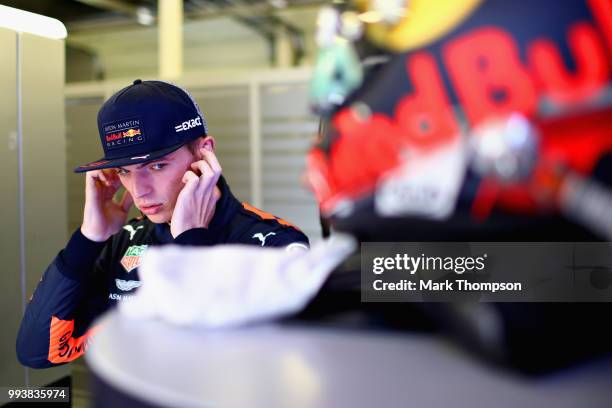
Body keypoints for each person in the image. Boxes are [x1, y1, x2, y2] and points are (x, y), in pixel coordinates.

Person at [16, 79, 309, 368]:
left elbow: (235, 370)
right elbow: (37, 352)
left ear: (203, 153)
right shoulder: (127, 240)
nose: (138, 190)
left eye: (156, 166)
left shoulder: (275, 245)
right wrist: (89, 239)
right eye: (124, 171)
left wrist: (190, 243)